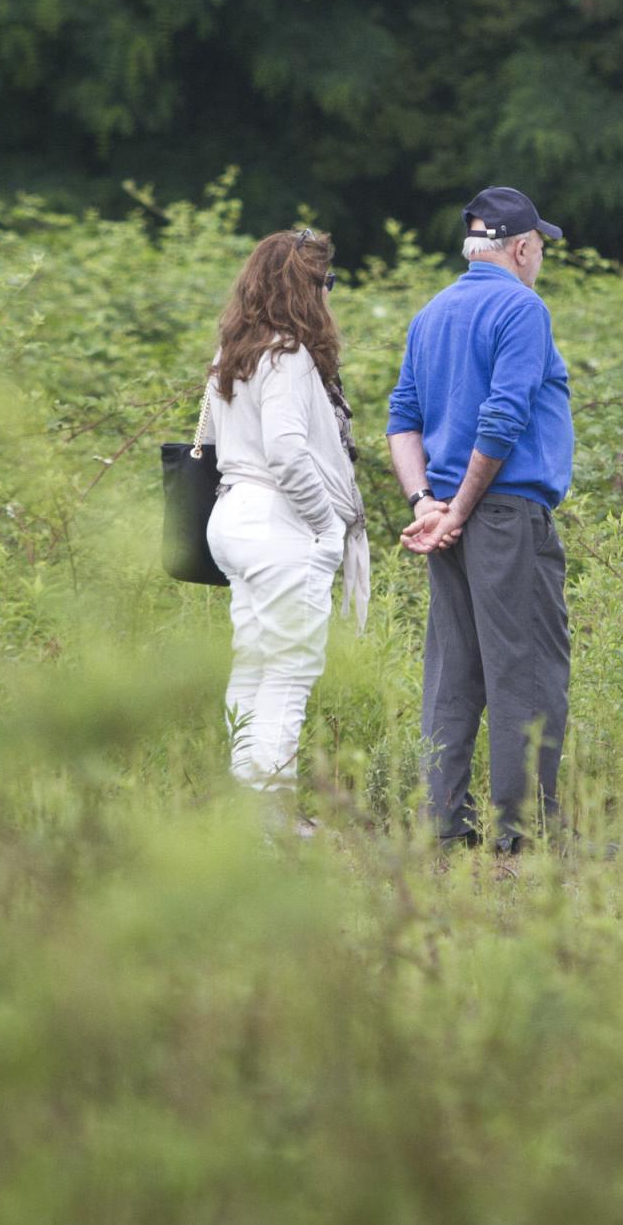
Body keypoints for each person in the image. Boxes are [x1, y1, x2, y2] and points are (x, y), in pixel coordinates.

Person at [386, 186, 574, 853]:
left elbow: (402, 417)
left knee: (454, 670)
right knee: (528, 667)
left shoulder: (432, 312)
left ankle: (443, 821)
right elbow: (503, 416)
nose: (540, 258)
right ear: (521, 248)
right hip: (502, 515)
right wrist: (460, 508)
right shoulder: (522, 307)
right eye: (540, 246)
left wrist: (426, 505)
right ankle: (523, 832)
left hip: (448, 519)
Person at [204, 228, 371, 827]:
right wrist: (325, 526)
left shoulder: (232, 352)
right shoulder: (288, 356)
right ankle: (269, 820)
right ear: (307, 287)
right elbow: (286, 450)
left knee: (253, 665)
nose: (329, 294)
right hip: (279, 521)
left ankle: (249, 809)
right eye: (327, 282)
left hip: (233, 515)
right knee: (289, 673)